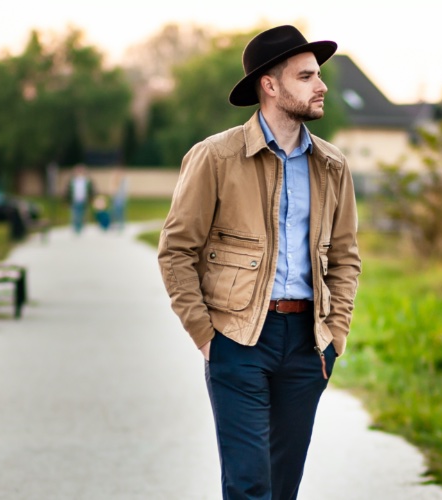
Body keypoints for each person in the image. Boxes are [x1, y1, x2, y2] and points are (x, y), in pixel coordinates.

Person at [157, 25, 361, 499]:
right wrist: (206, 337)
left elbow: (346, 257)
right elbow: (176, 249)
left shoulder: (332, 166)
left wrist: (336, 335)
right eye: (306, 76)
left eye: (318, 75)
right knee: (250, 485)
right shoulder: (216, 157)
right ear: (270, 86)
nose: (321, 85)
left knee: (283, 486)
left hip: (308, 343)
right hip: (238, 339)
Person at [67, 164, 93, 234]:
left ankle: (80, 228)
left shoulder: (87, 181)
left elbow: (90, 191)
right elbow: (68, 192)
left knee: (82, 215)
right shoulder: (72, 181)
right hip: (75, 200)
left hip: (83, 200)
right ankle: (76, 228)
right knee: (75, 215)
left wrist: (90, 199)